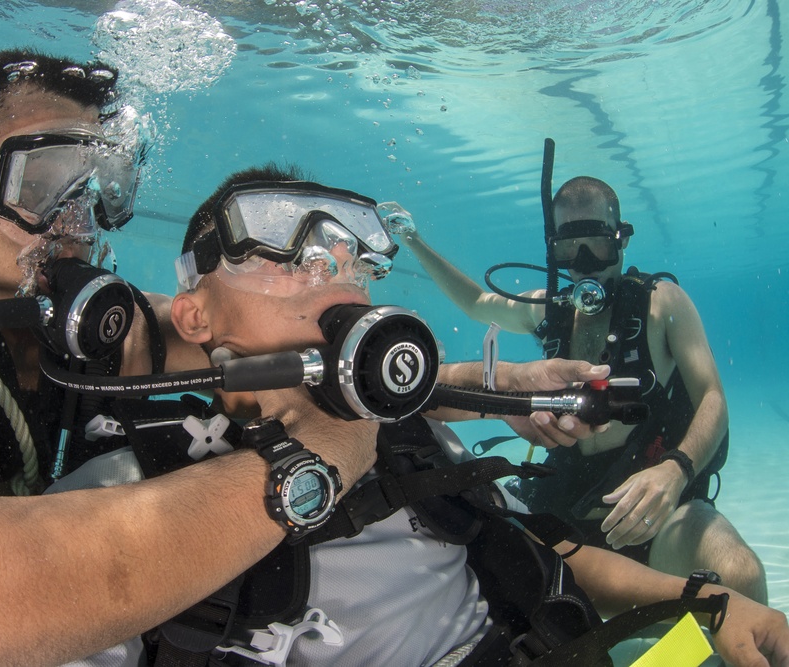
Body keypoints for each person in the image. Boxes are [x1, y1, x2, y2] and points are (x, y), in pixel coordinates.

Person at [0, 49, 594, 666]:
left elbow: (287, 363)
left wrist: (500, 388)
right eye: (44, 183)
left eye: (103, 186)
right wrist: (317, 461)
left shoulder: (107, 331)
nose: (75, 223)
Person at [49, 163, 789, 666]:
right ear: (195, 313)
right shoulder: (125, 497)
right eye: (287, 253)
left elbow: (531, 549)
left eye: (353, 262)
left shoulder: (407, 429)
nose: (333, 278)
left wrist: (707, 600)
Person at [397, 175, 768, 603]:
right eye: (571, 249)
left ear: (621, 241)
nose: (586, 261)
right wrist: (415, 242)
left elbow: (712, 397)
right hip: (568, 515)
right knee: (469, 571)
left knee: (741, 577)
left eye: (598, 245)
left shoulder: (662, 304)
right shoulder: (548, 308)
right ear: (553, 249)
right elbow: (477, 304)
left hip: (660, 512)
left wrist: (675, 470)